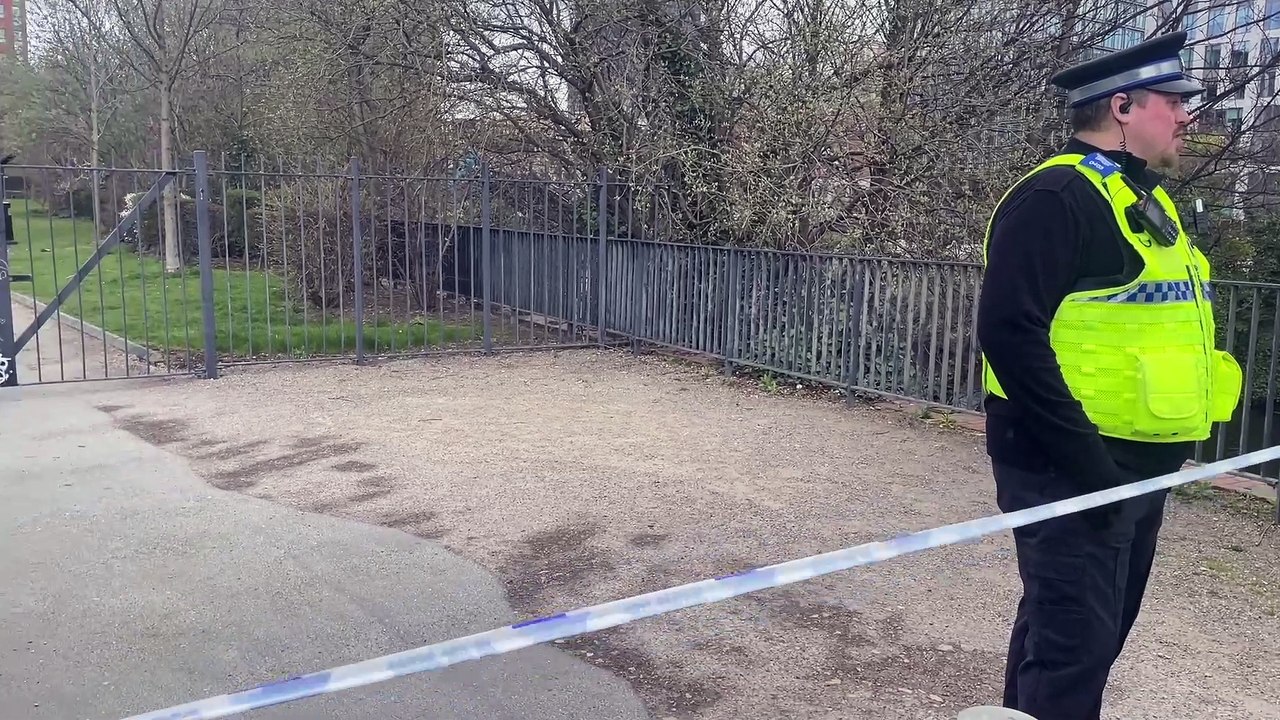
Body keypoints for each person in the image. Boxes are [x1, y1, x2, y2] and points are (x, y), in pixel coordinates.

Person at [975, 30, 1244, 720]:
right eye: (1171, 101)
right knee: (1074, 650)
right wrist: (1091, 472)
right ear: (1122, 107)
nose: (1187, 115)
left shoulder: (1141, 197)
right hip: (1073, 467)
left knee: (1073, 640)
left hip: (1132, 467)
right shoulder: (1057, 196)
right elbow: (1010, 335)